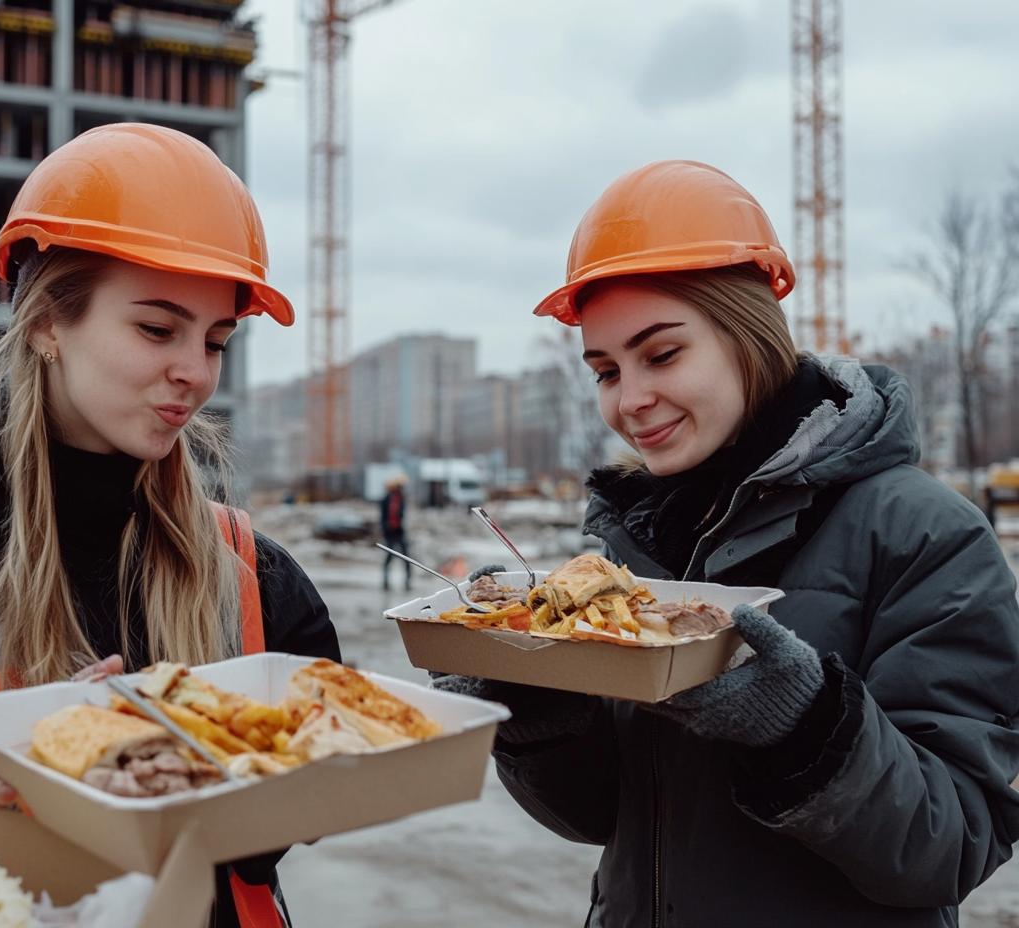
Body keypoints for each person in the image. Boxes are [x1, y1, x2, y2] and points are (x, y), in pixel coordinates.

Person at [436, 160, 1019, 926]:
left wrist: (804, 726)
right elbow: (602, 818)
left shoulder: (922, 532)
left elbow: (959, 841)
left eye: (661, 355)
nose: (630, 400)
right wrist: (535, 708)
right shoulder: (630, 546)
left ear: (748, 338)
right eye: (605, 371)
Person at [0, 123, 339, 928]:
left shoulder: (252, 571)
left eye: (216, 340)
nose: (195, 372)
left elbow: (291, 823)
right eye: (157, 329)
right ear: (47, 322)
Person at [381, 476, 412, 591]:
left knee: (406, 558)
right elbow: (383, 517)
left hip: (399, 531)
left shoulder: (401, 498)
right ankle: (385, 582)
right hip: (390, 532)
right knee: (389, 557)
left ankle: (407, 582)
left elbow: (402, 515)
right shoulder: (387, 499)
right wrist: (385, 529)